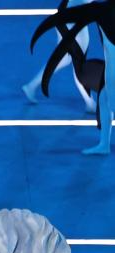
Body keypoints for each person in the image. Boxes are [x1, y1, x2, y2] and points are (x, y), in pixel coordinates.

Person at [31, 0, 115, 153]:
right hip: (110, 69)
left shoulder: (102, 9)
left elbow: (72, 17)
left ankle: (104, 144)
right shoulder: (102, 9)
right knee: (104, 100)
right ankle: (104, 145)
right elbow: (72, 18)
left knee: (110, 101)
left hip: (112, 72)